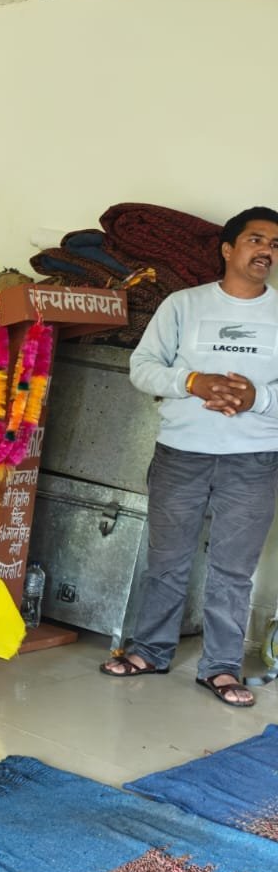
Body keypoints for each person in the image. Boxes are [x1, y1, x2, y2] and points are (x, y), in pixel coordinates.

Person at [101, 207, 278, 707]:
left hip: (254, 458)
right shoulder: (183, 304)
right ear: (228, 248)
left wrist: (257, 397)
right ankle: (150, 651)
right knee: (166, 561)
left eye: (275, 245)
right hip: (182, 453)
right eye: (256, 239)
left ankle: (221, 668)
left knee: (232, 570)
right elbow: (142, 367)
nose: (267, 251)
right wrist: (192, 382)